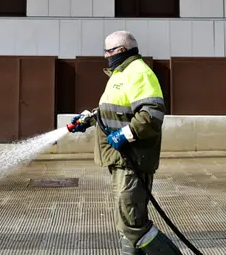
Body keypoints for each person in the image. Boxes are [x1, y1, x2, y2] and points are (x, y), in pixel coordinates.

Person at [69, 30, 182, 255]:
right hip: (120, 160)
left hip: (133, 161)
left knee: (133, 225)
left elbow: (151, 115)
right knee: (126, 225)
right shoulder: (119, 75)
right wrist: (90, 119)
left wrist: (125, 134)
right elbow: (114, 111)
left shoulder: (140, 73)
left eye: (108, 51)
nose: (105, 56)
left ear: (121, 50)